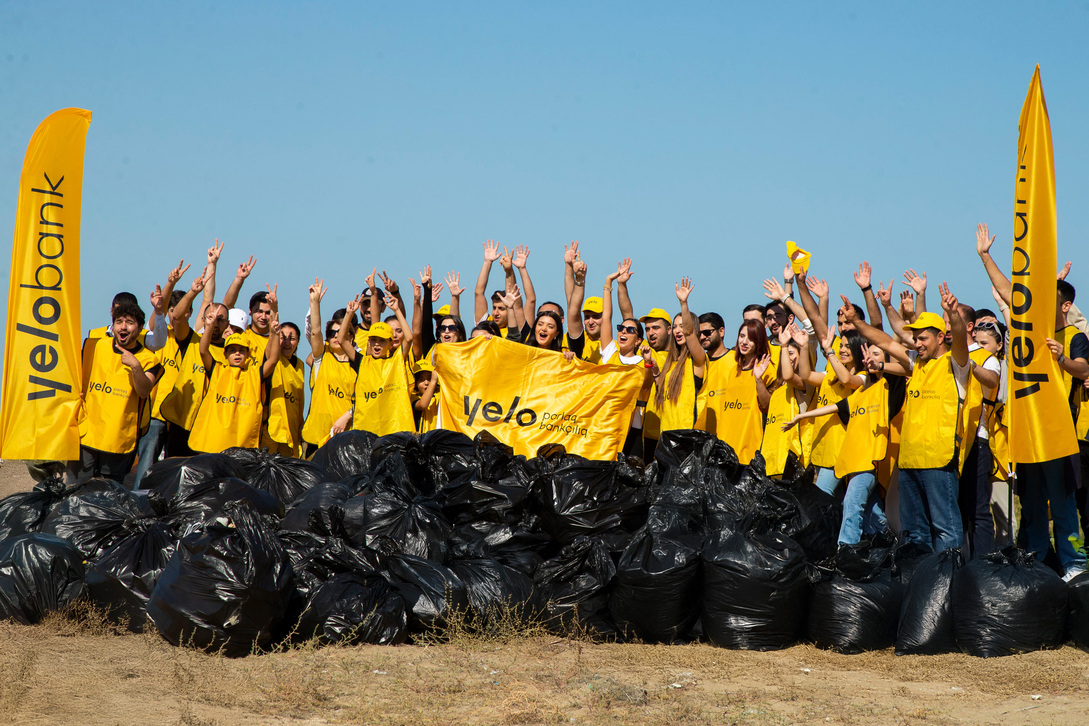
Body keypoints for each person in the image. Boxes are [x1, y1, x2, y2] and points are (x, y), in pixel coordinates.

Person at [977, 222, 1088, 577]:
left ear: (1064, 303)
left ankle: (1073, 566)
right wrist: (984, 256)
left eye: (1050, 296)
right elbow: (1008, 292)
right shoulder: (1030, 329)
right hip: (1028, 434)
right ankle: (1038, 564)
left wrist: (1061, 360)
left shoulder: (1072, 334)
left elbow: (1082, 368)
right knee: (1033, 505)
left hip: (1059, 435)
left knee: (1064, 505)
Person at [844, 283, 969, 553]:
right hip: (910, 460)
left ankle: (949, 581)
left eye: (923, 338)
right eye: (916, 339)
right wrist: (856, 322)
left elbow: (959, 338)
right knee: (915, 532)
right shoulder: (916, 365)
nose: (917, 343)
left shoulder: (954, 364)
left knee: (945, 528)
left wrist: (954, 315)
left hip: (939, 460)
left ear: (939, 337)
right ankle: (919, 583)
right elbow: (886, 341)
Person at [783, 343, 904, 544]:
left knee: (852, 503)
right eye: (869, 355)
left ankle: (846, 549)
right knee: (872, 513)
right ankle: (890, 543)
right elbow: (835, 407)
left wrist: (880, 364)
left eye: (876, 354)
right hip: (852, 460)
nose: (871, 358)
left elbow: (901, 368)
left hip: (872, 460)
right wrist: (801, 416)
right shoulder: (861, 393)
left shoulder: (888, 388)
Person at [70, 299, 163, 483]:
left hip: (119, 440)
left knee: (108, 499)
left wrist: (136, 366)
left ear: (140, 327)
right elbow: (74, 374)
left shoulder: (149, 360)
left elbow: (144, 391)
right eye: (119, 322)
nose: (123, 327)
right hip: (87, 434)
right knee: (74, 492)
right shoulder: (95, 346)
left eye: (129, 323)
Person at [189, 311, 281, 453]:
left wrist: (274, 334)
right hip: (213, 443)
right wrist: (209, 326)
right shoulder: (217, 370)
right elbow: (203, 351)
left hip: (241, 446)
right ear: (225, 354)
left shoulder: (254, 374)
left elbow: (273, 360)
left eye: (241, 350)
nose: (237, 353)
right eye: (232, 350)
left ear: (248, 354)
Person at [337, 287, 415, 436]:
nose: (377, 344)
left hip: (395, 429)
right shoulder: (361, 361)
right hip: (367, 431)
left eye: (382, 340)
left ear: (391, 344)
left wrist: (397, 310)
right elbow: (341, 340)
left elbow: (409, 337)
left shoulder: (396, 360)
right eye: (373, 340)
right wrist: (349, 314)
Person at [698, 319, 771, 464]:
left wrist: (758, 379)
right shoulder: (733, 368)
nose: (744, 341)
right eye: (742, 336)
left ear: (759, 341)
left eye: (751, 338)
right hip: (725, 448)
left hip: (749, 449)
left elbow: (767, 406)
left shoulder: (766, 369)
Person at [301, 279, 356, 454]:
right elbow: (315, 331)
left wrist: (347, 415)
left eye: (339, 333)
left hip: (345, 438)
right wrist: (315, 302)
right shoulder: (321, 356)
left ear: (351, 337)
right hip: (316, 438)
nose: (334, 336)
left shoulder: (358, 364)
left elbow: (363, 400)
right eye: (331, 333)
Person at [649, 278, 706, 434]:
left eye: (681, 326)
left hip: (687, 434)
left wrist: (683, 304)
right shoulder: (671, 361)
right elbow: (661, 389)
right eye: (674, 327)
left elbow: (689, 334)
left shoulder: (697, 359)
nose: (677, 330)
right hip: (666, 433)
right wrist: (654, 370)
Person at [261, 320, 304, 457]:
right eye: (283, 338)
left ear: (297, 342)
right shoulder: (275, 358)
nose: (287, 343)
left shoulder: (300, 365)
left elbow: (299, 399)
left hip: (291, 430)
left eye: (291, 339)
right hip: (272, 428)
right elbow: (270, 353)